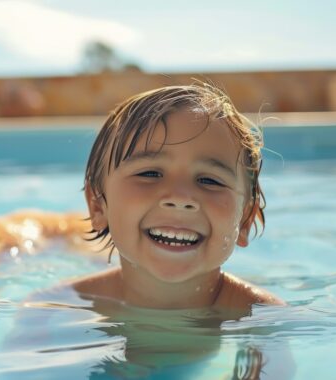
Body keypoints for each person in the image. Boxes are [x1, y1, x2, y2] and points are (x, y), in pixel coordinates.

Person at [71, 83, 285, 312]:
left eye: (209, 181)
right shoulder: (60, 309)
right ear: (98, 207)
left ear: (244, 221)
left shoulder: (263, 318)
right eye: (150, 174)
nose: (180, 198)